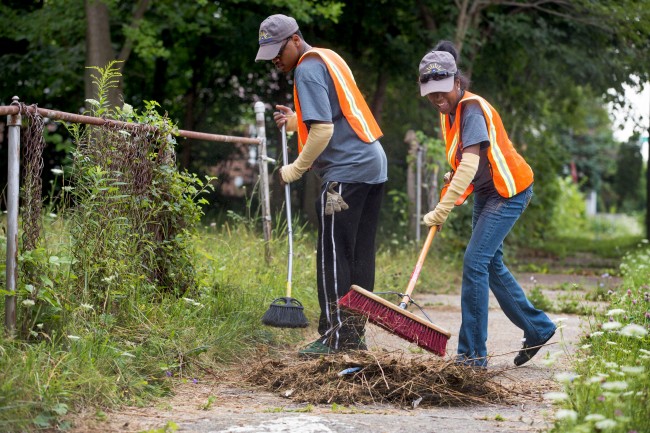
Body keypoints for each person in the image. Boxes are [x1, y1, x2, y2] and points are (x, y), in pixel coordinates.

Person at [255, 14, 388, 357]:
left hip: (345, 174)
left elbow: (324, 130)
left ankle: (334, 336)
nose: (275, 60)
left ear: (295, 40)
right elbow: (339, 113)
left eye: (277, 51)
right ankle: (354, 335)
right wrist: (297, 121)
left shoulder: (306, 68)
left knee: (332, 252)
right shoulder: (329, 57)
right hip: (373, 165)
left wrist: (295, 169)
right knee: (358, 255)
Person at [418, 41, 556, 367]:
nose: (438, 98)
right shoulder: (448, 114)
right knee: (489, 264)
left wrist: (444, 208)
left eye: (443, 91)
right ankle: (538, 327)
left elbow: (470, 164)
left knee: (475, 262)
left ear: (457, 82)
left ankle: (472, 357)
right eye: (431, 93)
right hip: (488, 191)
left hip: (508, 192)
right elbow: (462, 168)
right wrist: (449, 194)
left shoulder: (471, 109)